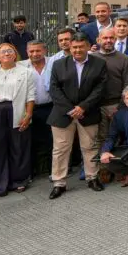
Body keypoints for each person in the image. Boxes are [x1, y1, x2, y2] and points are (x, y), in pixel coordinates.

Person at [48, 32, 108, 199]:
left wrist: (83, 107)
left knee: (90, 147)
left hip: (88, 113)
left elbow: (100, 89)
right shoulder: (59, 64)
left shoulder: (99, 64)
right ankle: (59, 183)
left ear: (88, 46)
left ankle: (92, 178)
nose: (77, 50)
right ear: (70, 47)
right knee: (60, 150)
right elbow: (54, 89)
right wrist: (70, 109)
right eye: (74, 47)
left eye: (81, 46)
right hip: (63, 114)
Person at [0, 43, 35, 196]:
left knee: (18, 146)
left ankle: (19, 180)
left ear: (15, 54)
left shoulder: (25, 72)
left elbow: (31, 95)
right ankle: (0, 183)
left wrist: (28, 114)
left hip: (16, 109)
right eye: (2, 51)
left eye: (10, 51)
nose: (6, 53)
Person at [93, 27, 128, 182]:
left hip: (117, 104)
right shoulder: (92, 58)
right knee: (101, 137)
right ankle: (104, 169)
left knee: (119, 137)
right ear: (99, 40)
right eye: (105, 38)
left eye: (111, 38)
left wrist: (120, 107)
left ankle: (118, 167)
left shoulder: (123, 59)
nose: (108, 41)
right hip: (97, 105)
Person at [25, 40, 55, 175]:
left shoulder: (54, 62)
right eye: (31, 51)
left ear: (45, 50)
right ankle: (30, 172)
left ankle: (52, 171)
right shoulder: (21, 66)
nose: (35, 54)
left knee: (52, 140)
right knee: (30, 142)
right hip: (30, 110)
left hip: (50, 107)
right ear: (27, 52)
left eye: (38, 50)